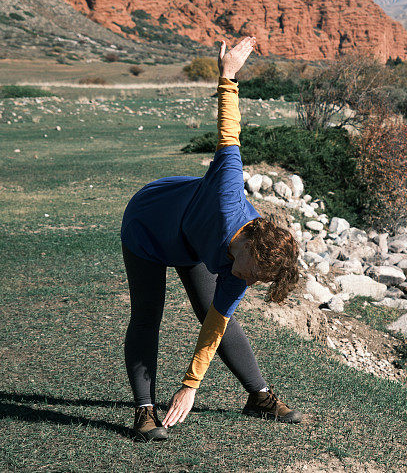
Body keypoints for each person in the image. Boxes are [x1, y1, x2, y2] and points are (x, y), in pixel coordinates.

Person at [120, 36, 302, 442]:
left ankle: (259, 396)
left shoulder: (245, 265)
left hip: (194, 244)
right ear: (246, 246)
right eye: (253, 274)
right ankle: (144, 412)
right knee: (148, 316)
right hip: (150, 223)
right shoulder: (225, 195)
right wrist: (229, 75)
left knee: (216, 312)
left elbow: (215, 325)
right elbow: (229, 131)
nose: (250, 281)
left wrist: (190, 384)